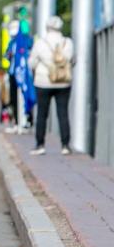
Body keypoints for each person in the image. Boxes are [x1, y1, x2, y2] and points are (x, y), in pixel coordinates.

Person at [29, 15, 74, 155]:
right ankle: (65, 145)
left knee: (42, 114)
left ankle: (40, 144)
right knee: (63, 113)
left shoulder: (40, 43)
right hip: (63, 83)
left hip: (43, 82)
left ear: (47, 27)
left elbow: (32, 63)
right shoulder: (68, 42)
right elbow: (73, 61)